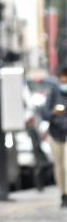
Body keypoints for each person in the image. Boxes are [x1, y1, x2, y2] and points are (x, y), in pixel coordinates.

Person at [41, 65, 67, 208]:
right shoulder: (53, 93)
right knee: (59, 167)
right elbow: (44, 113)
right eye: (62, 77)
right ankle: (63, 194)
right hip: (55, 133)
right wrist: (54, 113)